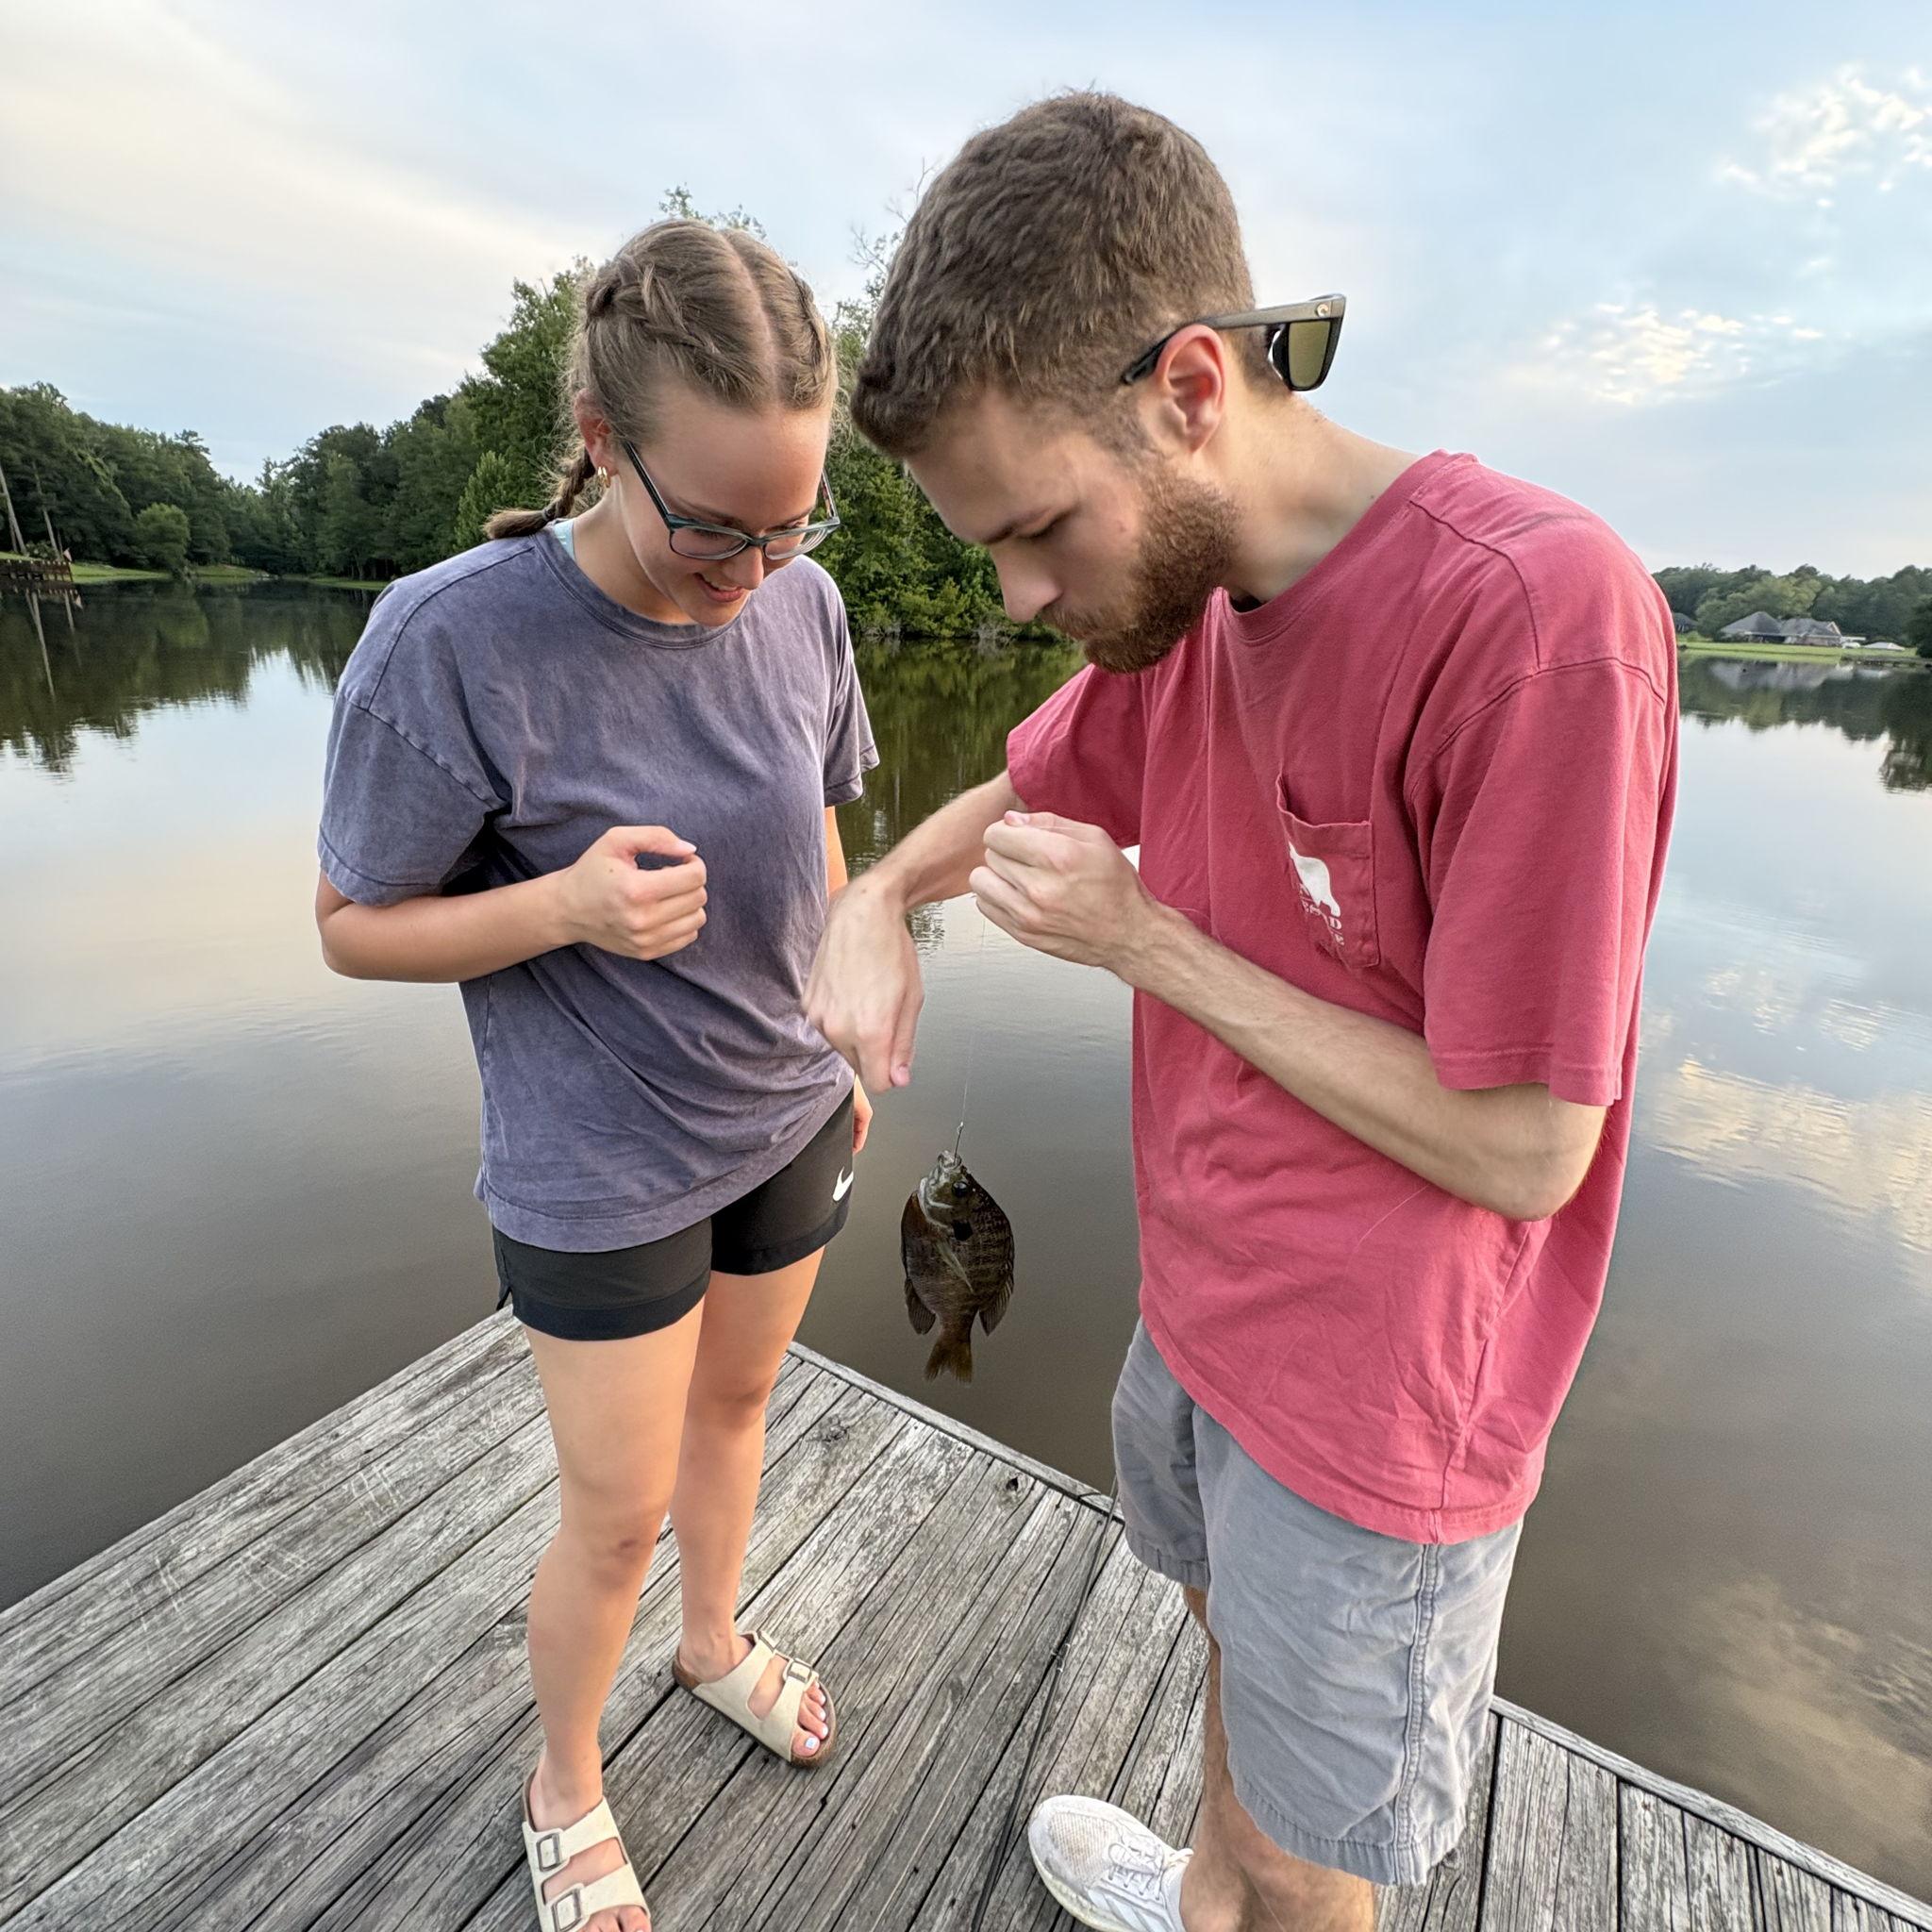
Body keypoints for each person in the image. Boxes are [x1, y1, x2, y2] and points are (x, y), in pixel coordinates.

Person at [807, 94, 1677, 1932]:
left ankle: (1250, 1883)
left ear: (1193, 387)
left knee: (1317, 1850)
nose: (1024, 595)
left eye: (1036, 530)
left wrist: (1154, 948)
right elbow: (1029, 790)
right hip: (1201, 1324)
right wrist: (879, 894)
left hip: (1379, 1409)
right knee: (1232, 1681)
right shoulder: (1174, 605)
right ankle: (1202, 1888)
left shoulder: (1531, 621)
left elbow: (1528, 1144)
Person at [315, 220, 875, 1932]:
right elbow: (351, 925)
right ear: (596, 435)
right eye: (713, 525)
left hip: (787, 1115)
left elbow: (830, 841)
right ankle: (566, 1783)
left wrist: (850, 1036)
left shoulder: (807, 607)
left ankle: (715, 1647)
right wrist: (559, 905)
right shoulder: (451, 642)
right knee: (615, 1515)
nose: (753, 573)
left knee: (740, 1412)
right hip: (598, 1160)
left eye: (792, 524)